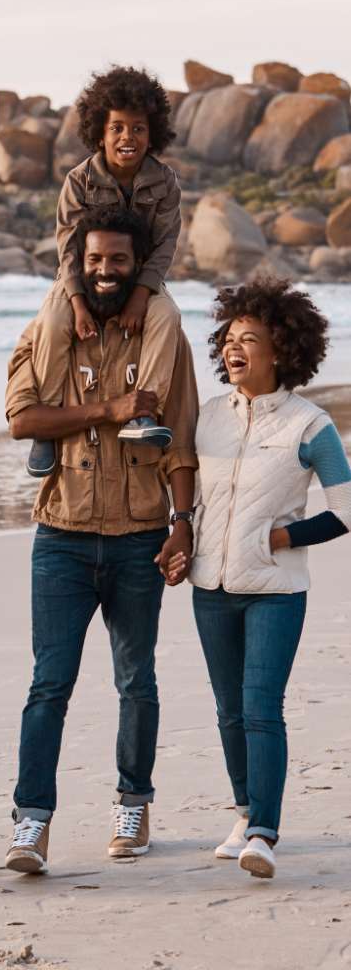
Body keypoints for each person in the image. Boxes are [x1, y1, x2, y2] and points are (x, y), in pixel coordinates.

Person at [2, 207, 199, 874]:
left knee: (135, 680)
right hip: (59, 537)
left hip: (140, 536)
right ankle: (31, 823)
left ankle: (133, 802)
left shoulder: (164, 339)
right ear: (77, 265)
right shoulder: (52, 332)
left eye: (118, 260)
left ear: (135, 266)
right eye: (95, 260)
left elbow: (183, 441)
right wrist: (108, 411)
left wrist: (182, 524)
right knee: (48, 685)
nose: (106, 271)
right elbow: (22, 418)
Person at [163, 280, 350, 880]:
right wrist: (180, 534)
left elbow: (346, 509)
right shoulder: (210, 417)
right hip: (210, 588)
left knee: (260, 707)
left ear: (283, 350)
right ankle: (245, 813)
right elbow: (185, 488)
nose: (235, 349)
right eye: (230, 339)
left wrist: (285, 536)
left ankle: (265, 833)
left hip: (275, 590)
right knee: (227, 710)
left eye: (251, 340)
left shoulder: (309, 424)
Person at [27, 66, 183, 477]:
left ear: (153, 135)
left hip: (139, 276)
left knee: (168, 317)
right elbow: (67, 247)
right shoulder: (79, 180)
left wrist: (140, 295)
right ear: (100, 132)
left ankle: (144, 414)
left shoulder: (165, 183)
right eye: (117, 128)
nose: (127, 137)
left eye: (138, 129)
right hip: (83, 276)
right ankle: (46, 425)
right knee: (53, 319)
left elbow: (166, 245)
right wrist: (78, 303)